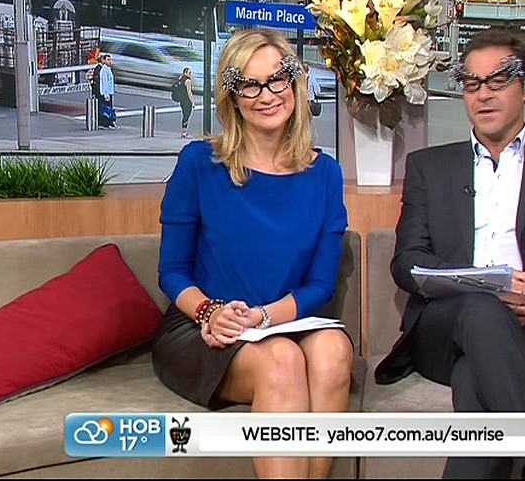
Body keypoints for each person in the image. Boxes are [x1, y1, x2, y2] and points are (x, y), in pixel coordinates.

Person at [374, 27, 525, 479]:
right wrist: (483, 283)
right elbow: (407, 262)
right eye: (471, 83)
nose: (483, 94)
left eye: (498, 81)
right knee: (482, 308)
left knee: (475, 382)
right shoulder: (429, 167)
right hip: (444, 328)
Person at [152, 28, 351, 479]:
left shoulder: (325, 174)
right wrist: (211, 312)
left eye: (277, 79)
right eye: (250, 84)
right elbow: (172, 271)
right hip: (204, 326)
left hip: (282, 321)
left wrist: (261, 318)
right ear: (233, 96)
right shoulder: (198, 163)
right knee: (281, 360)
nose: (267, 95)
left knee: (335, 350)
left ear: (295, 84)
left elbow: (320, 285)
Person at [98, 53, 117, 129]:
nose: (110, 61)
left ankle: (110, 122)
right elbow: (105, 83)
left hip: (110, 92)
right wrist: (106, 94)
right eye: (108, 60)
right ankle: (106, 123)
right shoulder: (104, 70)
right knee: (106, 108)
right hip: (106, 93)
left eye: (110, 60)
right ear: (104, 61)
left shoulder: (109, 69)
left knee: (109, 108)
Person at [178, 67, 194, 138]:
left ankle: (184, 132)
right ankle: (184, 132)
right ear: (185, 73)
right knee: (187, 116)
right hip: (187, 101)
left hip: (182, 100)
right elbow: (189, 92)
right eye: (189, 73)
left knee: (184, 115)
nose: (190, 74)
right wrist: (192, 101)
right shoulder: (188, 81)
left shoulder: (181, 79)